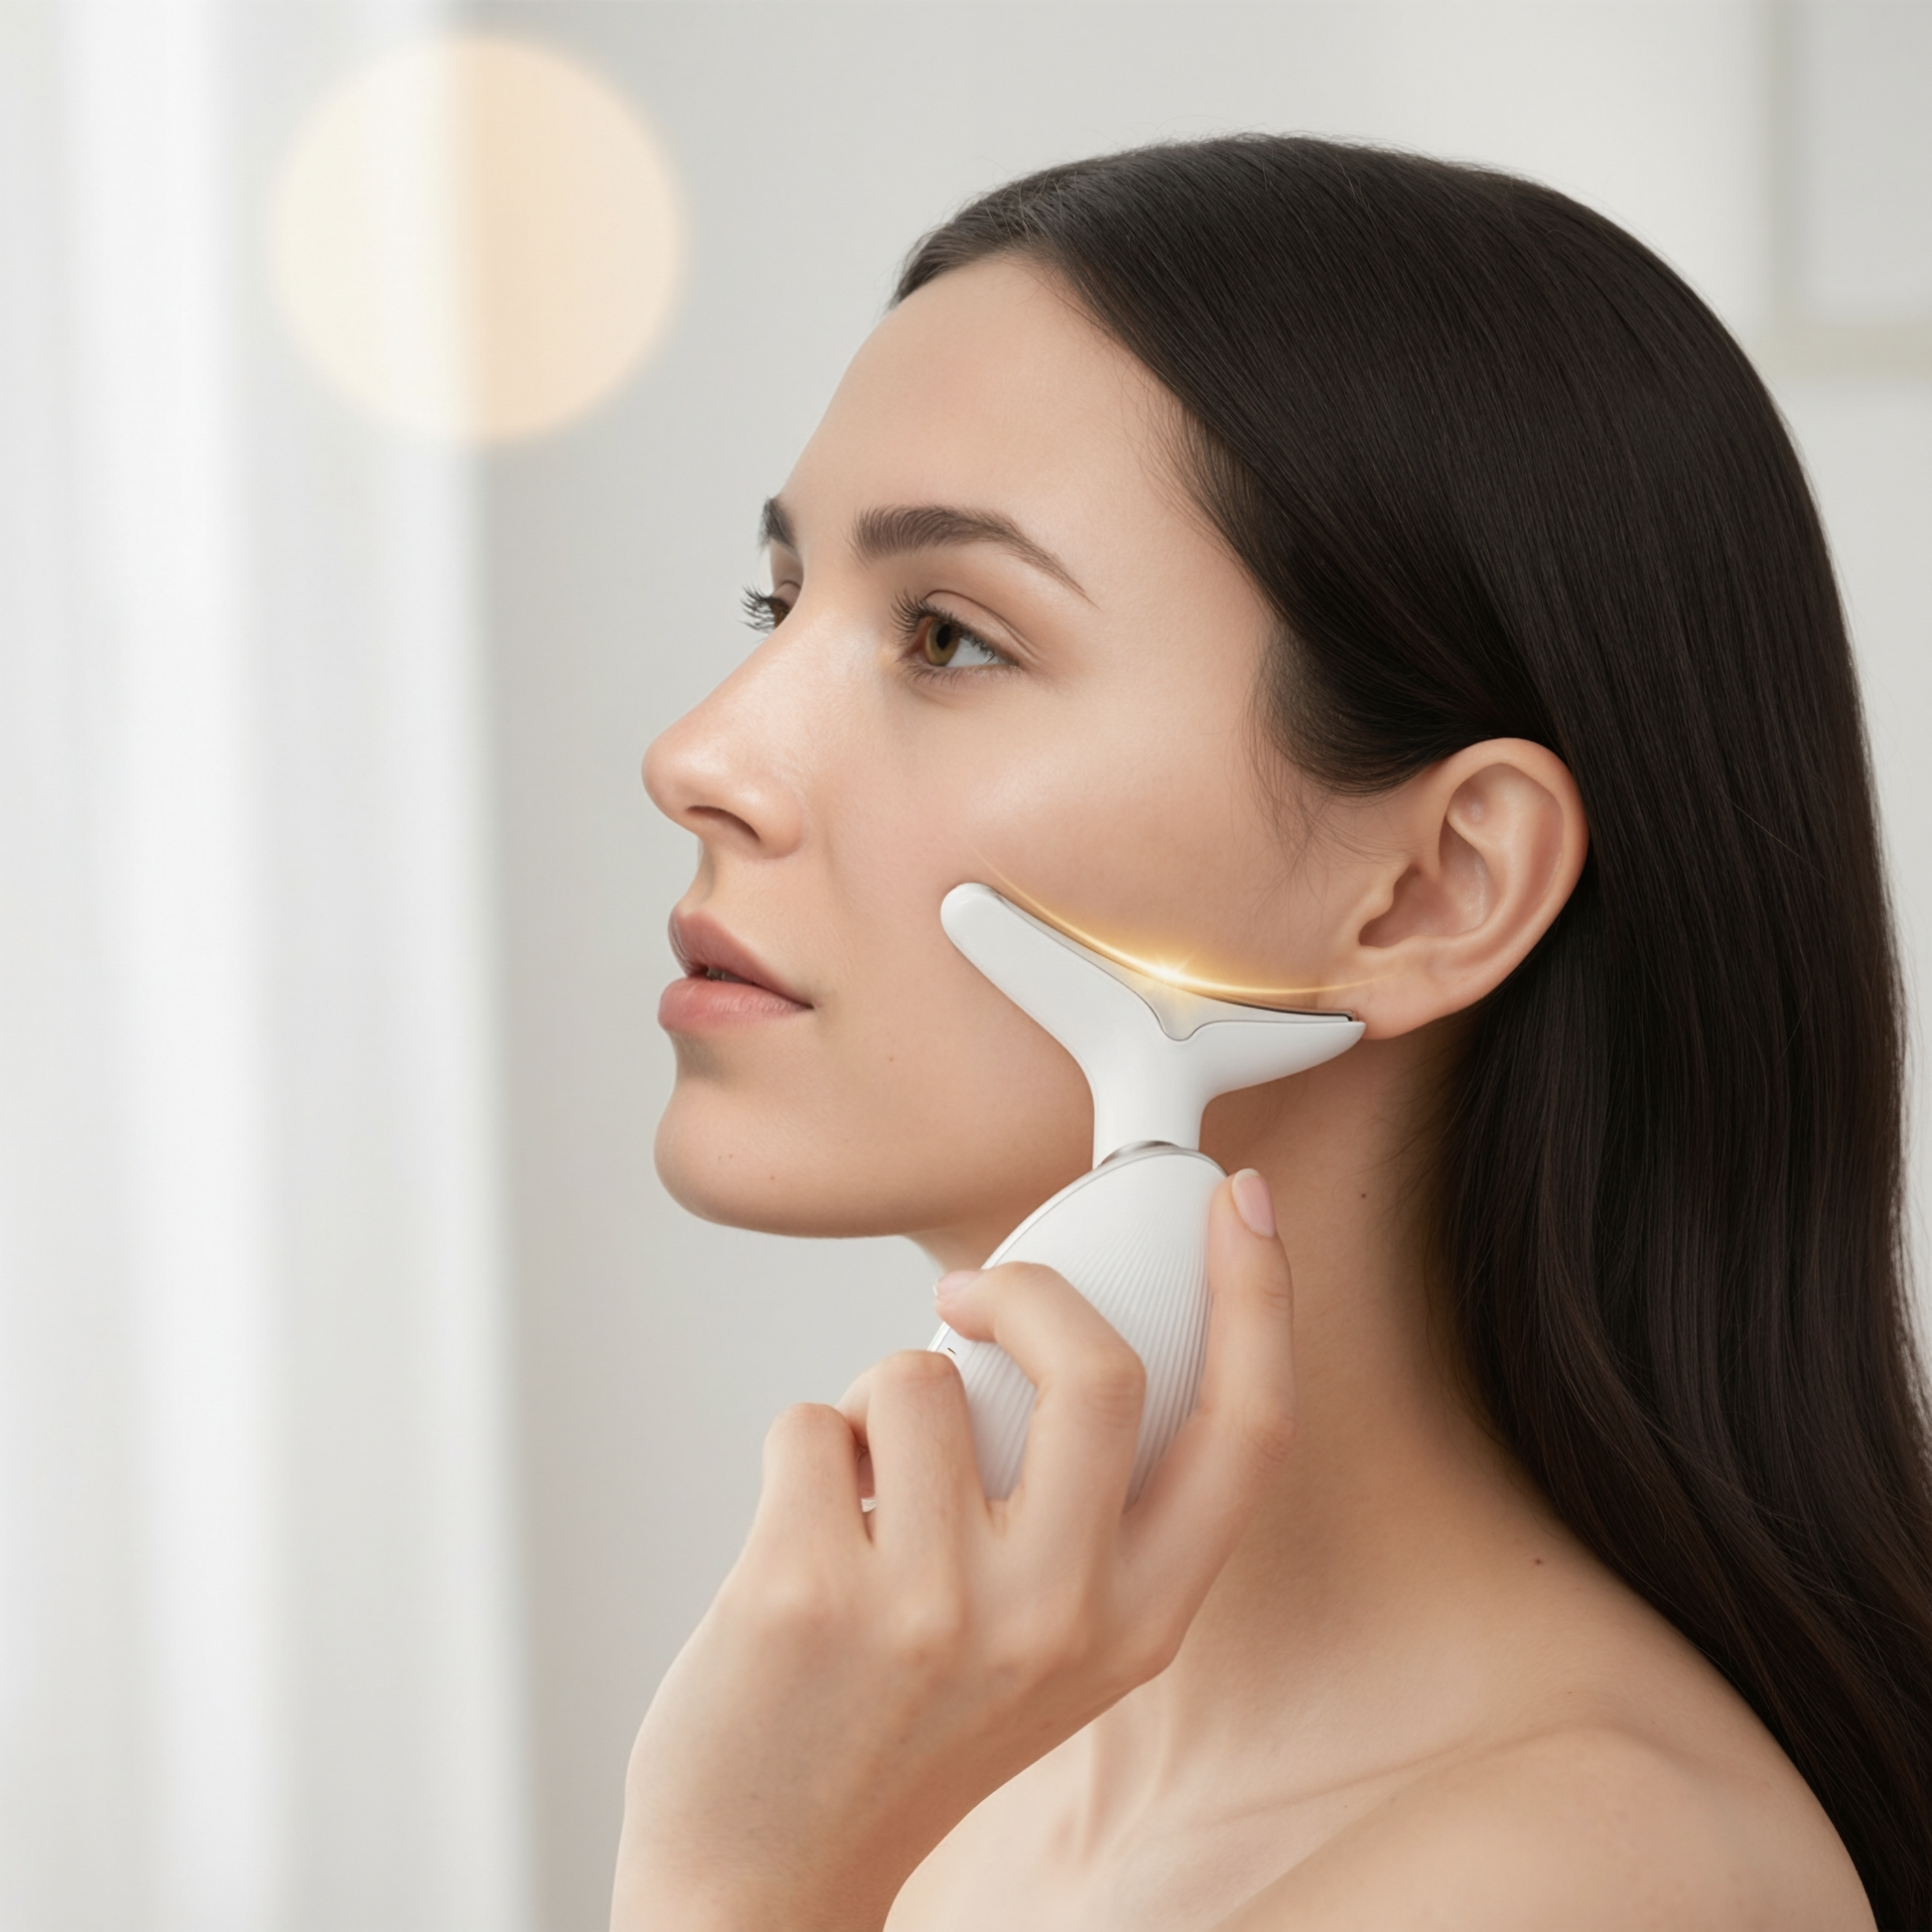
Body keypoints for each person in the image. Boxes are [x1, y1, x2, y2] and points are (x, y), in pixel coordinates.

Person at [616, 138, 1932, 1929]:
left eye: (949, 636)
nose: (700, 755)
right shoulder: (935, 1780)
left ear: (1433, 889)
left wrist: (732, 1883)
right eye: (777, 606)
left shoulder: (1595, 1882)